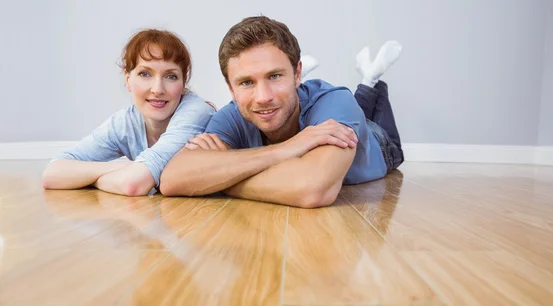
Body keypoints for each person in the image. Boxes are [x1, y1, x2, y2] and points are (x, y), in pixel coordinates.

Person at [159, 16, 404, 208]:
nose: (263, 97)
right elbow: (172, 180)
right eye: (246, 82)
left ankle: (371, 81)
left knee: (362, 106)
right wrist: (288, 148)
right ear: (231, 88)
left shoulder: (336, 102)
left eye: (274, 76)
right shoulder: (234, 115)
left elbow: (312, 189)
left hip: (380, 145)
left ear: (298, 74)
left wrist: (220, 180)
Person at [42, 28, 216, 197]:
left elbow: (133, 185)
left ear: (183, 83)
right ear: (128, 80)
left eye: (171, 76)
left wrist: (92, 177)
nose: (157, 89)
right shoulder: (126, 122)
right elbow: (52, 174)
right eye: (145, 74)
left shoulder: (196, 112)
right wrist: (125, 168)